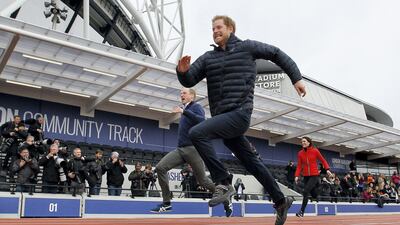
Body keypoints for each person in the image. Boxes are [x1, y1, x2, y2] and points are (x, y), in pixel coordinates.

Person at [176, 15, 305, 225]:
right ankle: (280, 200)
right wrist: (181, 71)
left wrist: (296, 78)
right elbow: (190, 79)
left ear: (230, 28)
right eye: (212, 29)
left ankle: (224, 181)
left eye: (218, 27)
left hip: (240, 114)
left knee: (196, 133)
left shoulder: (247, 47)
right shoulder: (209, 57)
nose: (215, 31)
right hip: (223, 118)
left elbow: (276, 53)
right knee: (251, 162)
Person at [151, 88, 231, 216]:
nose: (181, 94)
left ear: (192, 97)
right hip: (180, 149)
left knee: (203, 181)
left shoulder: (196, 107)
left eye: (184, 93)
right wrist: (183, 112)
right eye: (181, 93)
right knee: (160, 168)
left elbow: (201, 121)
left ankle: (225, 195)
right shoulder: (185, 110)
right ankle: (166, 203)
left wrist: (184, 111)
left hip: (193, 149)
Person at [294, 137, 331, 218]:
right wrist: (296, 175)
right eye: (302, 141)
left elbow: (323, 160)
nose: (303, 143)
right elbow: (299, 166)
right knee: (314, 195)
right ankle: (324, 184)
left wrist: (327, 169)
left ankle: (301, 212)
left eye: (304, 141)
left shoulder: (315, 151)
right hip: (306, 176)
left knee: (305, 191)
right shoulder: (300, 153)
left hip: (314, 175)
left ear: (309, 142)